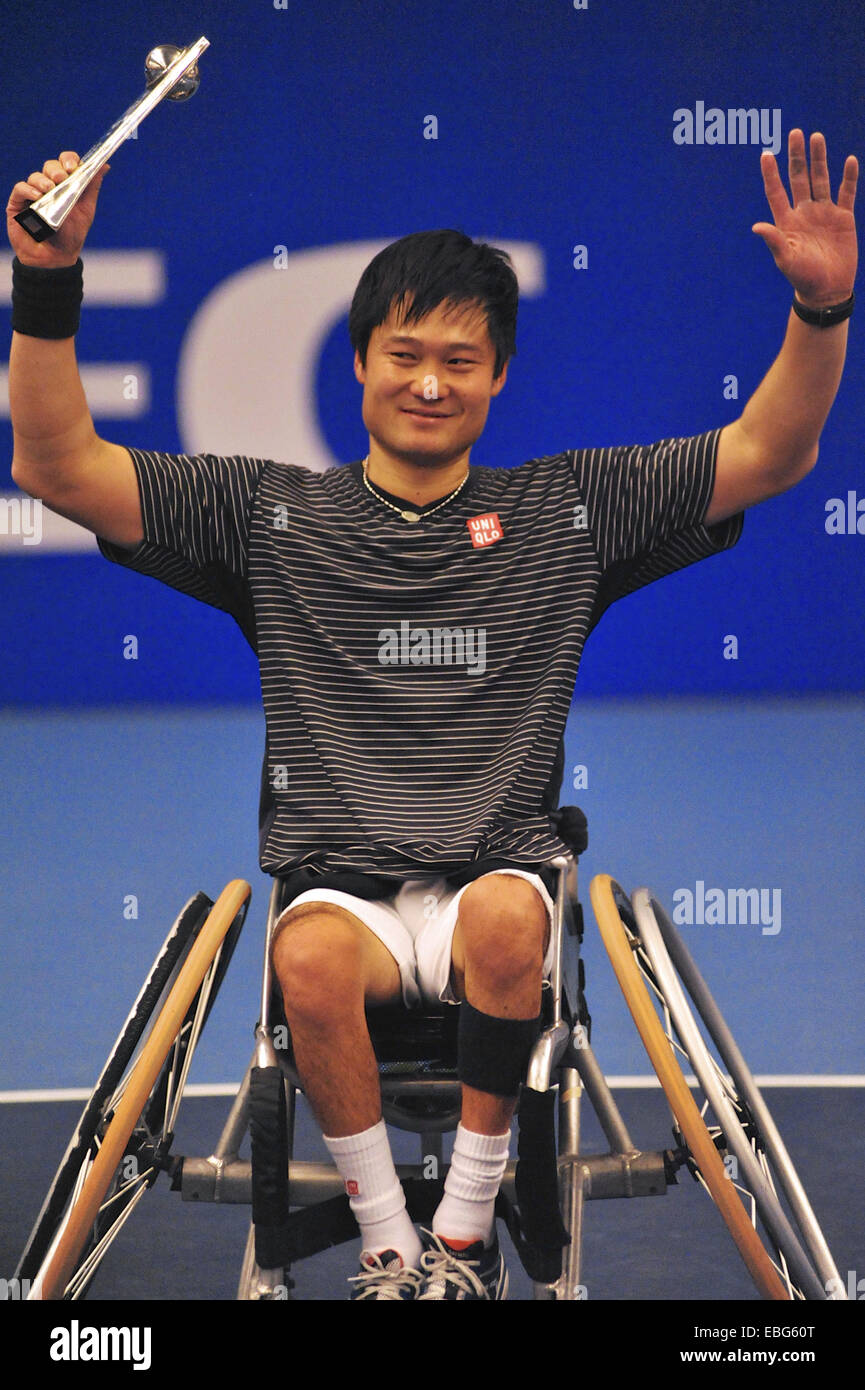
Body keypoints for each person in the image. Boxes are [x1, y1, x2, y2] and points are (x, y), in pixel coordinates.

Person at [7, 128, 857, 1299]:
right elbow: (57, 466)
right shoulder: (269, 516)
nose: (428, 381)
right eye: (403, 354)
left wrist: (822, 310)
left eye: (461, 360)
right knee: (301, 952)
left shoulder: (570, 510)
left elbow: (771, 450)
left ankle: (462, 1236)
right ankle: (387, 1245)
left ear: (498, 376)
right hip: (336, 886)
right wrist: (47, 286)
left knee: (513, 926)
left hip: (491, 882)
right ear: (356, 363)